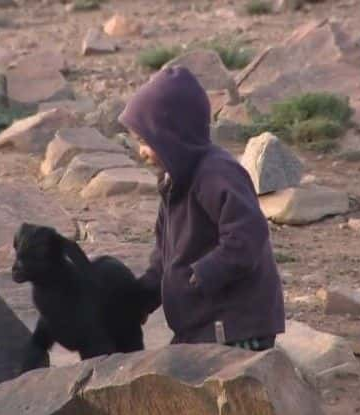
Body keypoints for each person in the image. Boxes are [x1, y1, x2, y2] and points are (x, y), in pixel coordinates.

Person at [118, 66, 285, 351]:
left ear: (172, 136)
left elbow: (248, 234)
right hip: (200, 323)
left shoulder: (216, 173)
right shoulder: (174, 179)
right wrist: (143, 295)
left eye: (147, 141)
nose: (142, 151)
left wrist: (204, 273)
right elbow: (166, 253)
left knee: (212, 391)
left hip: (233, 326)